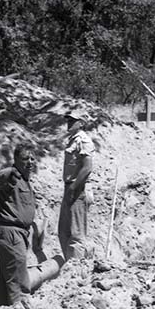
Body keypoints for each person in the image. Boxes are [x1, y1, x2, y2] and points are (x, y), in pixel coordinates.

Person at [0, 144, 41, 306]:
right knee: (19, 283)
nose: (30, 162)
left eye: (33, 158)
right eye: (25, 158)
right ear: (16, 160)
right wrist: (10, 172)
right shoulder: (12, 177)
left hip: (18, 234)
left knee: (8, 282)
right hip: (9, 233)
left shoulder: (25, 181)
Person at [58, 106, 95, 261]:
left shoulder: (84, 140)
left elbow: (87, 167)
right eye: (69, 120)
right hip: (71, 187)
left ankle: (77, 269)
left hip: (78, 189)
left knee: (76, 234)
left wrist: (73, 188)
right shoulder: (73, 140)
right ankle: (69, 265)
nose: (69, 123)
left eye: (73, 121)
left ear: (81, 123)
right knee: (64, 231)